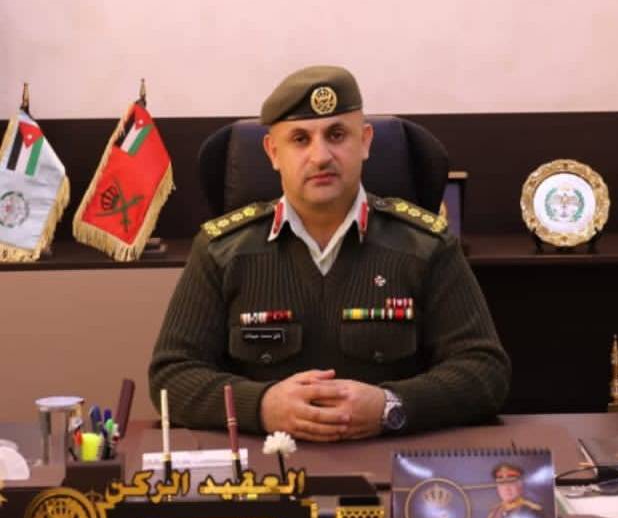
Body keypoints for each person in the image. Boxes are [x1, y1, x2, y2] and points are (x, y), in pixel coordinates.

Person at [149, 65, 509, 440]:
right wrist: (260, 406)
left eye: (337, 135)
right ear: (273, 152)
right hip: (267, 464)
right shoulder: (222, 251)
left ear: (365, 141)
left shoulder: (426, 246)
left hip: (388, 458)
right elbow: (171, 375)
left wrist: (390, 406)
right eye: (300, 139)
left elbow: (485, 371)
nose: (320, 156)